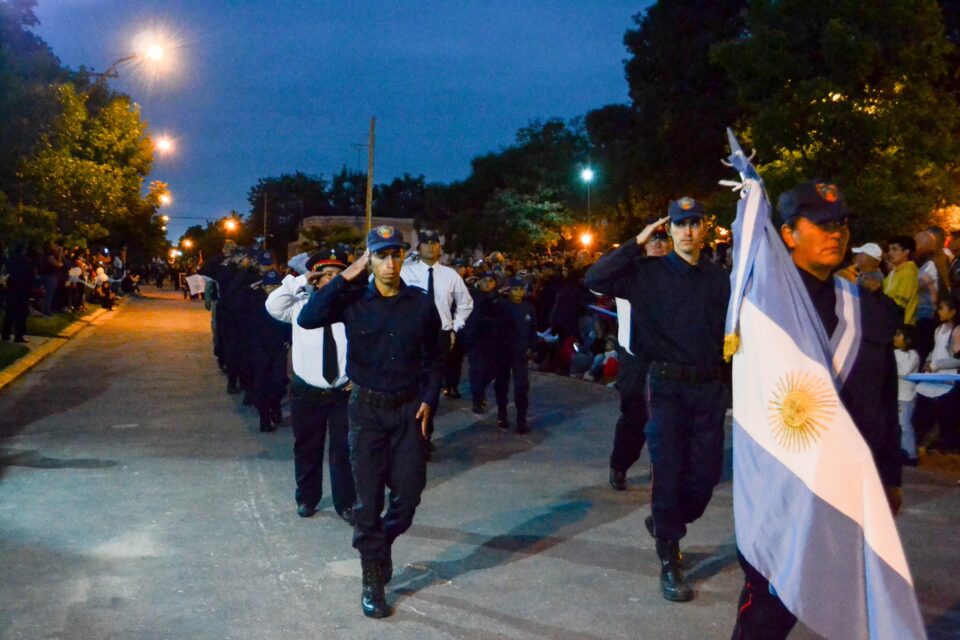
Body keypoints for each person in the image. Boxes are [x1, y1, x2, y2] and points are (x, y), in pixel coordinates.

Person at [731, 180, 904, 639]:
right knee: (769, 610)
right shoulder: (758, 307)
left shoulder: (867, 309)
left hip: (852, 487)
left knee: (855, 607)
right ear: (788, 234)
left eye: (842, 224)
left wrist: (890, 476)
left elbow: (884, 396)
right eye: (823, 224)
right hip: (785, 488)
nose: (837, 234)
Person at [585, 197, 730, 603]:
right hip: (666, 385)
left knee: (705, 478)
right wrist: (637, 241)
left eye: (694, 223)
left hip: (709, 387)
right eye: (680, 224)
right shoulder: (647, 273)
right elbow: (594, 277)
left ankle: (667, 521)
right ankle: (670, 556)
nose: (687, 231)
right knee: (667, 469)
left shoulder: (719, 278)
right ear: (670, 229)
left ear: (705, 228)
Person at [297, 225, 443, 619]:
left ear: (404, 257)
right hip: (366, 412)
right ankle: (371, 580)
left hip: (408, 410)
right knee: (367, 502)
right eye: (381, 255)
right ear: (370, 260)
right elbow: (308, 318)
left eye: (396, 254)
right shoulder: (353, 301)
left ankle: (380, 546)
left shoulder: (420, 303)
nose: (390, 263)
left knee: (408, 497)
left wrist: (430, 398)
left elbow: (436, 357)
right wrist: (346, 275)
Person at [266, 249, 356, 521]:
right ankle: (307, 498)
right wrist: (300, 280)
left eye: (337, 274)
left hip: (343, 392)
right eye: (325, 274)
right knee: (307, 448)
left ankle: (346, 503)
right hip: (306, 391)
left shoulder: (351, 307)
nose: (331, 279)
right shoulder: (299, 305)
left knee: (344, 451)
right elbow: (272, 305)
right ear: (315, 278)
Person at [608, 221, 671, 491]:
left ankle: (662, 468)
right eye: (652, 239)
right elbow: (595, 278)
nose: (657, 244)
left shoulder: (677, 275)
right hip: (635, 358)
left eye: (663, 239)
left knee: (668, 418)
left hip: (668, 358)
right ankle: (620, 464)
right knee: (634, 417)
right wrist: (633, 244)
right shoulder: (627, 275)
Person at [400, 230, 473, 455]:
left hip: (439, 336)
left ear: (439, 247)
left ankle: (425, 435)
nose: (430, 247)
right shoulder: (406, 272)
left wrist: (454, 326)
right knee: (411, 385)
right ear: (418, 247)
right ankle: (408, 434)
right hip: (411, 336)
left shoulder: (450, 275)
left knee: (432, 386)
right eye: (426, 243)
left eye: (434, 243)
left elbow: (466, 303)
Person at [493, 278, 537, 433]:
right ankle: (502, 414)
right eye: (515, 289)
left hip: (521, 353)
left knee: (521, 386)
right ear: (509, 291)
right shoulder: (502, 306)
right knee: (502, 384)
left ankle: (521, 419)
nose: (519, 293)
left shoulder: (528, 308)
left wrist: (532, 347)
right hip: (504, 352)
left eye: (521, 289)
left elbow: (533, 330)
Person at [893, 325, 920, 465]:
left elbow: (904, 371)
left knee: (904, 424)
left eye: (899, 335)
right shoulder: (894, 353)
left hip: (906, 396)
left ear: (908, 339)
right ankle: (900, 452)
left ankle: (911, 455)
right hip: (896, 394)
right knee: (897, 424)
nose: (895, 337)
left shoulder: (913, 355)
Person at [1, 244, 36, 343]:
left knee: (9, 312)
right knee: (21, 313)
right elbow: (31, 277)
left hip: (11, 289)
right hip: (23, 290)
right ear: (23, 250)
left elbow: (5, 274)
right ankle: (18, 335)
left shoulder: (9, 261)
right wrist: (31, 291)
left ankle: (5, 334)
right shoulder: (27, 262)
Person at [883, 235, 919, 325]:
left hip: (900, 326)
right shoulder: (895, 272)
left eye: (894, 249)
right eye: (889, 249)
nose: (890, 253)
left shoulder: (908, 273)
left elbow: (899, 306)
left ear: (906, 252)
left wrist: (877, 291)